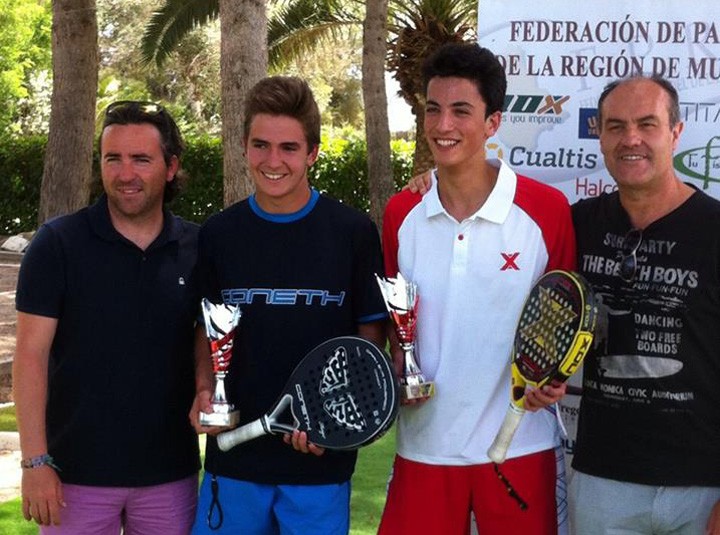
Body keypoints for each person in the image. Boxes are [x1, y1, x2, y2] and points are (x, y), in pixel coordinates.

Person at [377, 42, 576, 535]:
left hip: (519, 448)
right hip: (423, 448)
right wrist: (396, 369)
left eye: (461, 111)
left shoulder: (547, 210)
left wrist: (554, 379)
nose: (443, 126)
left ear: (492, 123)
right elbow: (393, 328)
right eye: (433, 109)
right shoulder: (402, 213)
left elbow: (566, 326)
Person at [189, 76, 387, 534]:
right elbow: (206, 330)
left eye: (289, 148)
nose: (273, 161)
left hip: (319, 464)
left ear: (312, 153)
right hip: (233, 458)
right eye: (261, 145)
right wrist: (204, 390)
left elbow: (369, 340)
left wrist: (337, 424)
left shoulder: (352, 233)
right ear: (244, 147)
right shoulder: (218, 234)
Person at [12, 101, 200, 533]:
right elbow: (30, 356)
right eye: (113, 158)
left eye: (141, 159)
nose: (125, 173)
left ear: (170, 167)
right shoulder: (57, 244)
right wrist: (35, 462)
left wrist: (206, 385)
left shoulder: (197, 247)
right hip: (71, 475)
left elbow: (206, 337)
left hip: (169, 475)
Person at [569, 75, 720, 534]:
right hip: (602, 482)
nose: (630, 139)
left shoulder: (715, 230)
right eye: (615, 126)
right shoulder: (575, 224)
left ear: (675, 132)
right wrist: (434, 182)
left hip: (702, 488)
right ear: (599, 135)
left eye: (646, 124)